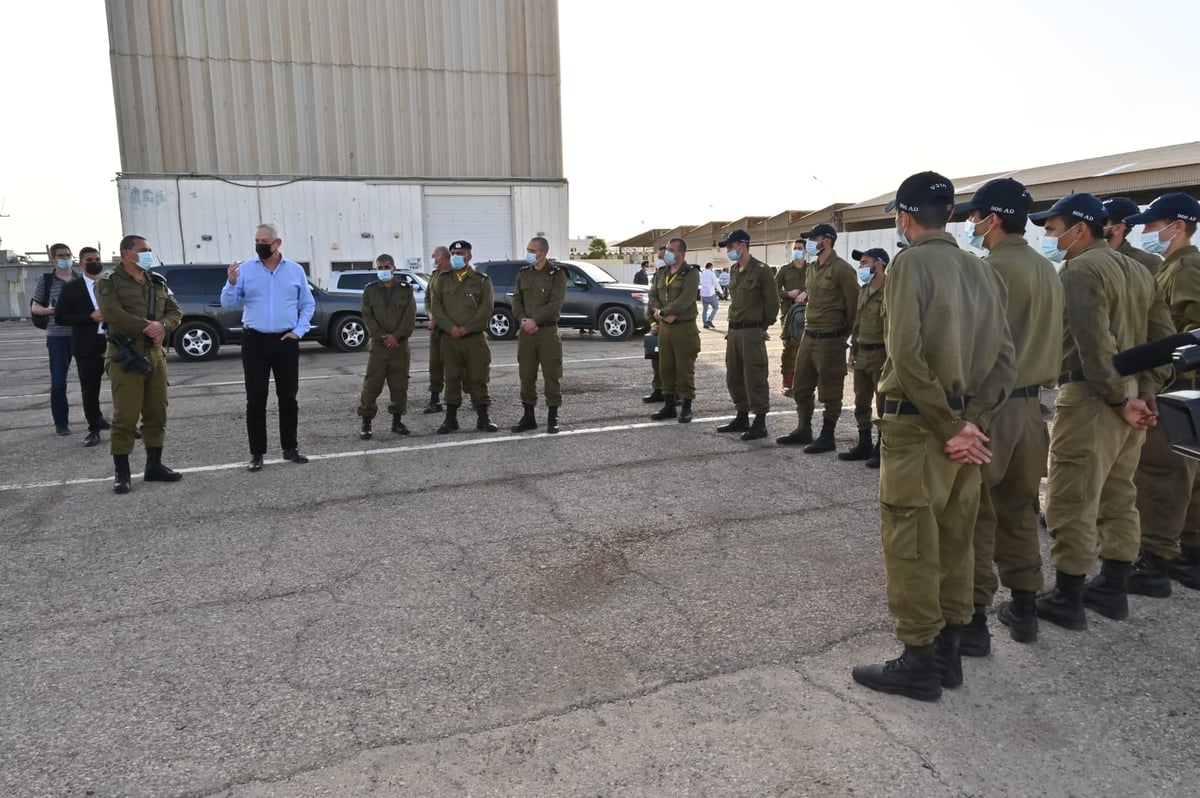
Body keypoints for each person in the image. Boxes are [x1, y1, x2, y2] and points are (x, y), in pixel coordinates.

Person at [850, 172, 1015, 702]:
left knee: (912, 545)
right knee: (955, 542)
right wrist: (973, 424)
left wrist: (949, 427)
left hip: (920, 431)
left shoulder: (910, 265)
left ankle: (919, 661)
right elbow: (1005, 363)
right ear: (948, 216)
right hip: (965, 430)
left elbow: (906, 356)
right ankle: (948, 654)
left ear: (904, 216)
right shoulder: (982, 271)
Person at [1031, 193, 1174, 631]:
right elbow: (1162, 337)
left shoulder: (1080, 269)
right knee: (1118, 495)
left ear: (1080, 228)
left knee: (1072, 497)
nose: (1050, 238)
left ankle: (1068, 596)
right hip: (1129, 396)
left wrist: (1117, 398)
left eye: (1054, 230)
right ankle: (1112, 587)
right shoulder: (1136, 268)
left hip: (1094, 397)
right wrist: (1145, 390)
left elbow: (1094, 342)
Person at [950, 179, 1063, 657]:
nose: (973, 225)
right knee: (1018, 509)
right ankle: (1025, 606)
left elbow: (974, 349)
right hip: (1033, 410)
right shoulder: (1047, 269)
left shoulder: (989, 271)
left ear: (991, 219)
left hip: (991, 409)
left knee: (975, 515)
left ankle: (973, 622)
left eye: (975, 217)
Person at [1124, 193, 1200, 596]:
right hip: (1185, 388)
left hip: (1180, 389)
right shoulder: (1176, 266)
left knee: (1162, 473)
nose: (1147, 231)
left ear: (1178, 226)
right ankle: (1189, 553)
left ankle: (1155, 561)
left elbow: (1190, 332)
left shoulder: (1185, 268)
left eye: (1154, 224)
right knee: (1187, 475)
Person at [221, 223, 316, 472]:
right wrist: (231, 283)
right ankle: (257, 453)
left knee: (288, 397)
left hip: (285, 341)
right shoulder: (245, 271)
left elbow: (308, 304)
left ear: (277, 243)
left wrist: (299, 330)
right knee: (255, 399)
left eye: (265, 241)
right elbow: (229, 304)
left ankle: (290, 447)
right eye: (257, 240)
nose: (260, 245)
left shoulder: (294, 271)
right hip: (254, 341)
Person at [96, 235, 184, 493]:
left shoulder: (157, 281)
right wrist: (148, 327)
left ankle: (153, 466)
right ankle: (121, 473)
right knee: (126, 415)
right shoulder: (109, 283)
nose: (148, 254)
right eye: (143, 250)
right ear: (126, 253)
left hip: (155, 355)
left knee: (157, 412)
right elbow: (112, 314)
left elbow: (175, 311)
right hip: (126, 356)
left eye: (149, 249)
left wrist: (163, 326)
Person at [777, 223, 858, 453]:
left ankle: (827, 435)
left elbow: (854, 308)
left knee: (830, 392)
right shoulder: (812, 269)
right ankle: (804, 429)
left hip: (830, 339)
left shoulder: (843, 270)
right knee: (801, 387)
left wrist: (843, 335)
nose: (810, 243)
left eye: (814, 238)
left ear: (828, 240)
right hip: (808, 336)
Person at [715, 228, 778, 441]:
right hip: (734, 330)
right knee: (734, 376)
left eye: (731, 246)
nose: (729, 251)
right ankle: (741, 415)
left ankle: (759, 422)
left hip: (752, 331)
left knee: (755, 376)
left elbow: (773, 302)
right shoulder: (733, 270)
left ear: (743, 245)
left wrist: (763, 326)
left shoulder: (761, 270)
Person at [429, 239, 498, 434]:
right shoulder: (442, 280)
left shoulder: (481, 280)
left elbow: (486, 309)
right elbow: (436, 306)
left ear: (469, 256)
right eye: (454, 254)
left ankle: (483, 418)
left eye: (461, 253)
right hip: (450, 339)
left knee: (478, 378)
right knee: (451, 378)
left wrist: (466, 328)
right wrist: (450, 328)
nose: (457, 257)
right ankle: (450, 420)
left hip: (473, 339)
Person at [54, 247, 111, 447]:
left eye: (97, 258)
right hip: (87, 345)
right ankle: (94, 428)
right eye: (89, 259)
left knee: (123, 386)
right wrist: (89, 317)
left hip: (113, 342)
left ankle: (127, 425)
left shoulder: (111, 284)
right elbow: (61, 317)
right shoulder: (72, 288)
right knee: (90, 389)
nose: (94, 262)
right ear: (81, 263)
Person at [356, 254, 417, 439]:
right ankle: (366, 422)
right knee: (372, 386)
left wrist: (396, 336)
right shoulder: (370, 290)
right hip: (379, 347)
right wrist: (383, 337)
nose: (383, 270)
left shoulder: (406, 290)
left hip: (400, 346)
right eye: (380, 267)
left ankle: (397, 421)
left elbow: (410, 317)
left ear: (394, 268)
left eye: (386, 267)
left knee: (399, 386)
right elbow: (367, 317)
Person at [511, 236, 568, 433]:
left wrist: (536, 320)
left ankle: (553, 417)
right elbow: (516, 300)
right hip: (526, 333)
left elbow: (555, 303)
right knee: (526, 375)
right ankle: (528, 417)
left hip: (547, 332)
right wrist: (523, 320)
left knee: (552, 374)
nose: (528, 253)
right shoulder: (523, 273)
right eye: (528, 249)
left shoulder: (556, 274)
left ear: (543, 253)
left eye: (531, 250)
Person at [841, 248, 890, 465]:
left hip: (881, 354)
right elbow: (858, 323)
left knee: (883, 404)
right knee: (861, 401)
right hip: (863, 353)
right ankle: (864, 443)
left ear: (879, 264)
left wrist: (891, 357)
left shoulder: (891, 290)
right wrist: (853, 351)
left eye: (864, 262)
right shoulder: (864, 290)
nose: (861, 267)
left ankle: (883, 447)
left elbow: (894, 326)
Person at [647, 238, 700, 422]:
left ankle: (686, 406)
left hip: (684, 328)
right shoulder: (662, 273)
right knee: (666, 368)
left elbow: (686, 299)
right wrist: (659, 313)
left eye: (671, 249)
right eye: (667, 249)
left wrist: (665, 312)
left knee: (684, 369)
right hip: (665, 328)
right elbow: (653, 295)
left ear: (682, 253)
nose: (667, 252)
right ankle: (669, 405)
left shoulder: (691, 273)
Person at [30, 243, 79, 435]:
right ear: (52, 258)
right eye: (61, 255)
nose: (65, 258)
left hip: (80, 335)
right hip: (57, 337)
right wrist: (51, 311)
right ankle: (61, 423)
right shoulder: (46, 280)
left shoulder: (79, 278)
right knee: (59, 381)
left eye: (68, 254)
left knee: (89, 380)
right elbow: (35, 308)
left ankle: (95, 418)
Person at [775, 240, 807, 397]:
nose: (797, 251)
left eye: (800, 248)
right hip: (789, 314)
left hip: (808, 313)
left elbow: (818, 285)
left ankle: (802, 382)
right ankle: (787, 383)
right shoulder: (785, 270)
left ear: (805, 251)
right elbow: (773, 288)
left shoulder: (812, 269)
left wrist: (806, 293)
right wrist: (788, 294)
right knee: (789, 347)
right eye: (795, 248)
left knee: (806, 348)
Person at [422, 246, 452, 414]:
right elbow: (428, 298)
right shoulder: (434, 276)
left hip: (450, 329)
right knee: (435, 365)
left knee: (458, 366)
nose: (434, 260)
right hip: (436, 330)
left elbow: (452, 304)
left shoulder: (454, 276)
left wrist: (437, 319)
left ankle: (477, 400)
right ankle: (435, 400)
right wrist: (430, 314)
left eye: (435, 257)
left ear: (442, 257)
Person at [1102, 197, 1163, 275]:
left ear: (1118, 228)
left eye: (1103, 222)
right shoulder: (1085, 256)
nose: (1095, 225)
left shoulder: (1147, 263)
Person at [642, 245, 669, 403]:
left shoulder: (680, 275)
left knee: (673, 364)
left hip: (672, 325)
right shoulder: (658, 276)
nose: (658, 261)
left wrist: (663, 317)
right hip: (657, 326)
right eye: (657, 258)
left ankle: (675, 393)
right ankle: (658, 390)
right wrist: (653, 322)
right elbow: (650, 303)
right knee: (656, 361)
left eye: (661, 258)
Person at [699, 262, 722, 329]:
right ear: (711, 267)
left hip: (703, 294)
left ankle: (705, 323)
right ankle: (709, 320)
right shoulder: (712, 273)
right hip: (710, 293)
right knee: (715, 307)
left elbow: (700, 282)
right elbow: (716, 283)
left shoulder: (702, 273)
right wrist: (721, 291)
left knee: (705, 309)